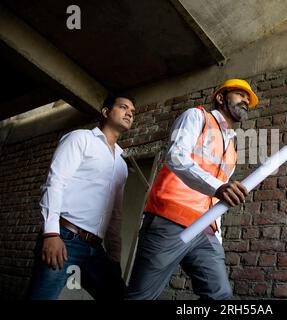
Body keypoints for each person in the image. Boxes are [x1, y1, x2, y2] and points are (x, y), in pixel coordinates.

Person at [126, 79, 259, 300]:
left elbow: (217, 196)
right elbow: (176, 156)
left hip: (205, 230)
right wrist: (219, 188)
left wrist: (217, 235)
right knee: (141, 297)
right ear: (220, 98)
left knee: (221, 297)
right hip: (169, 220)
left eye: (248, 99)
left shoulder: (232, 148)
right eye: (240, 94)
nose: (245, 101)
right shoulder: (197, 117)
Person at [28, 93, 136, 300]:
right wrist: (51, 234)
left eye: (132, 112)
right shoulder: (81, 138)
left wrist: (114, 259)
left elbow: (116, 214)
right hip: (65, 237)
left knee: (119, 295)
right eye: (123, 108)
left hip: (96, 249)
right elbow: (55, 182)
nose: (129, 114)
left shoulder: (121, 164)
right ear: (105, 112)